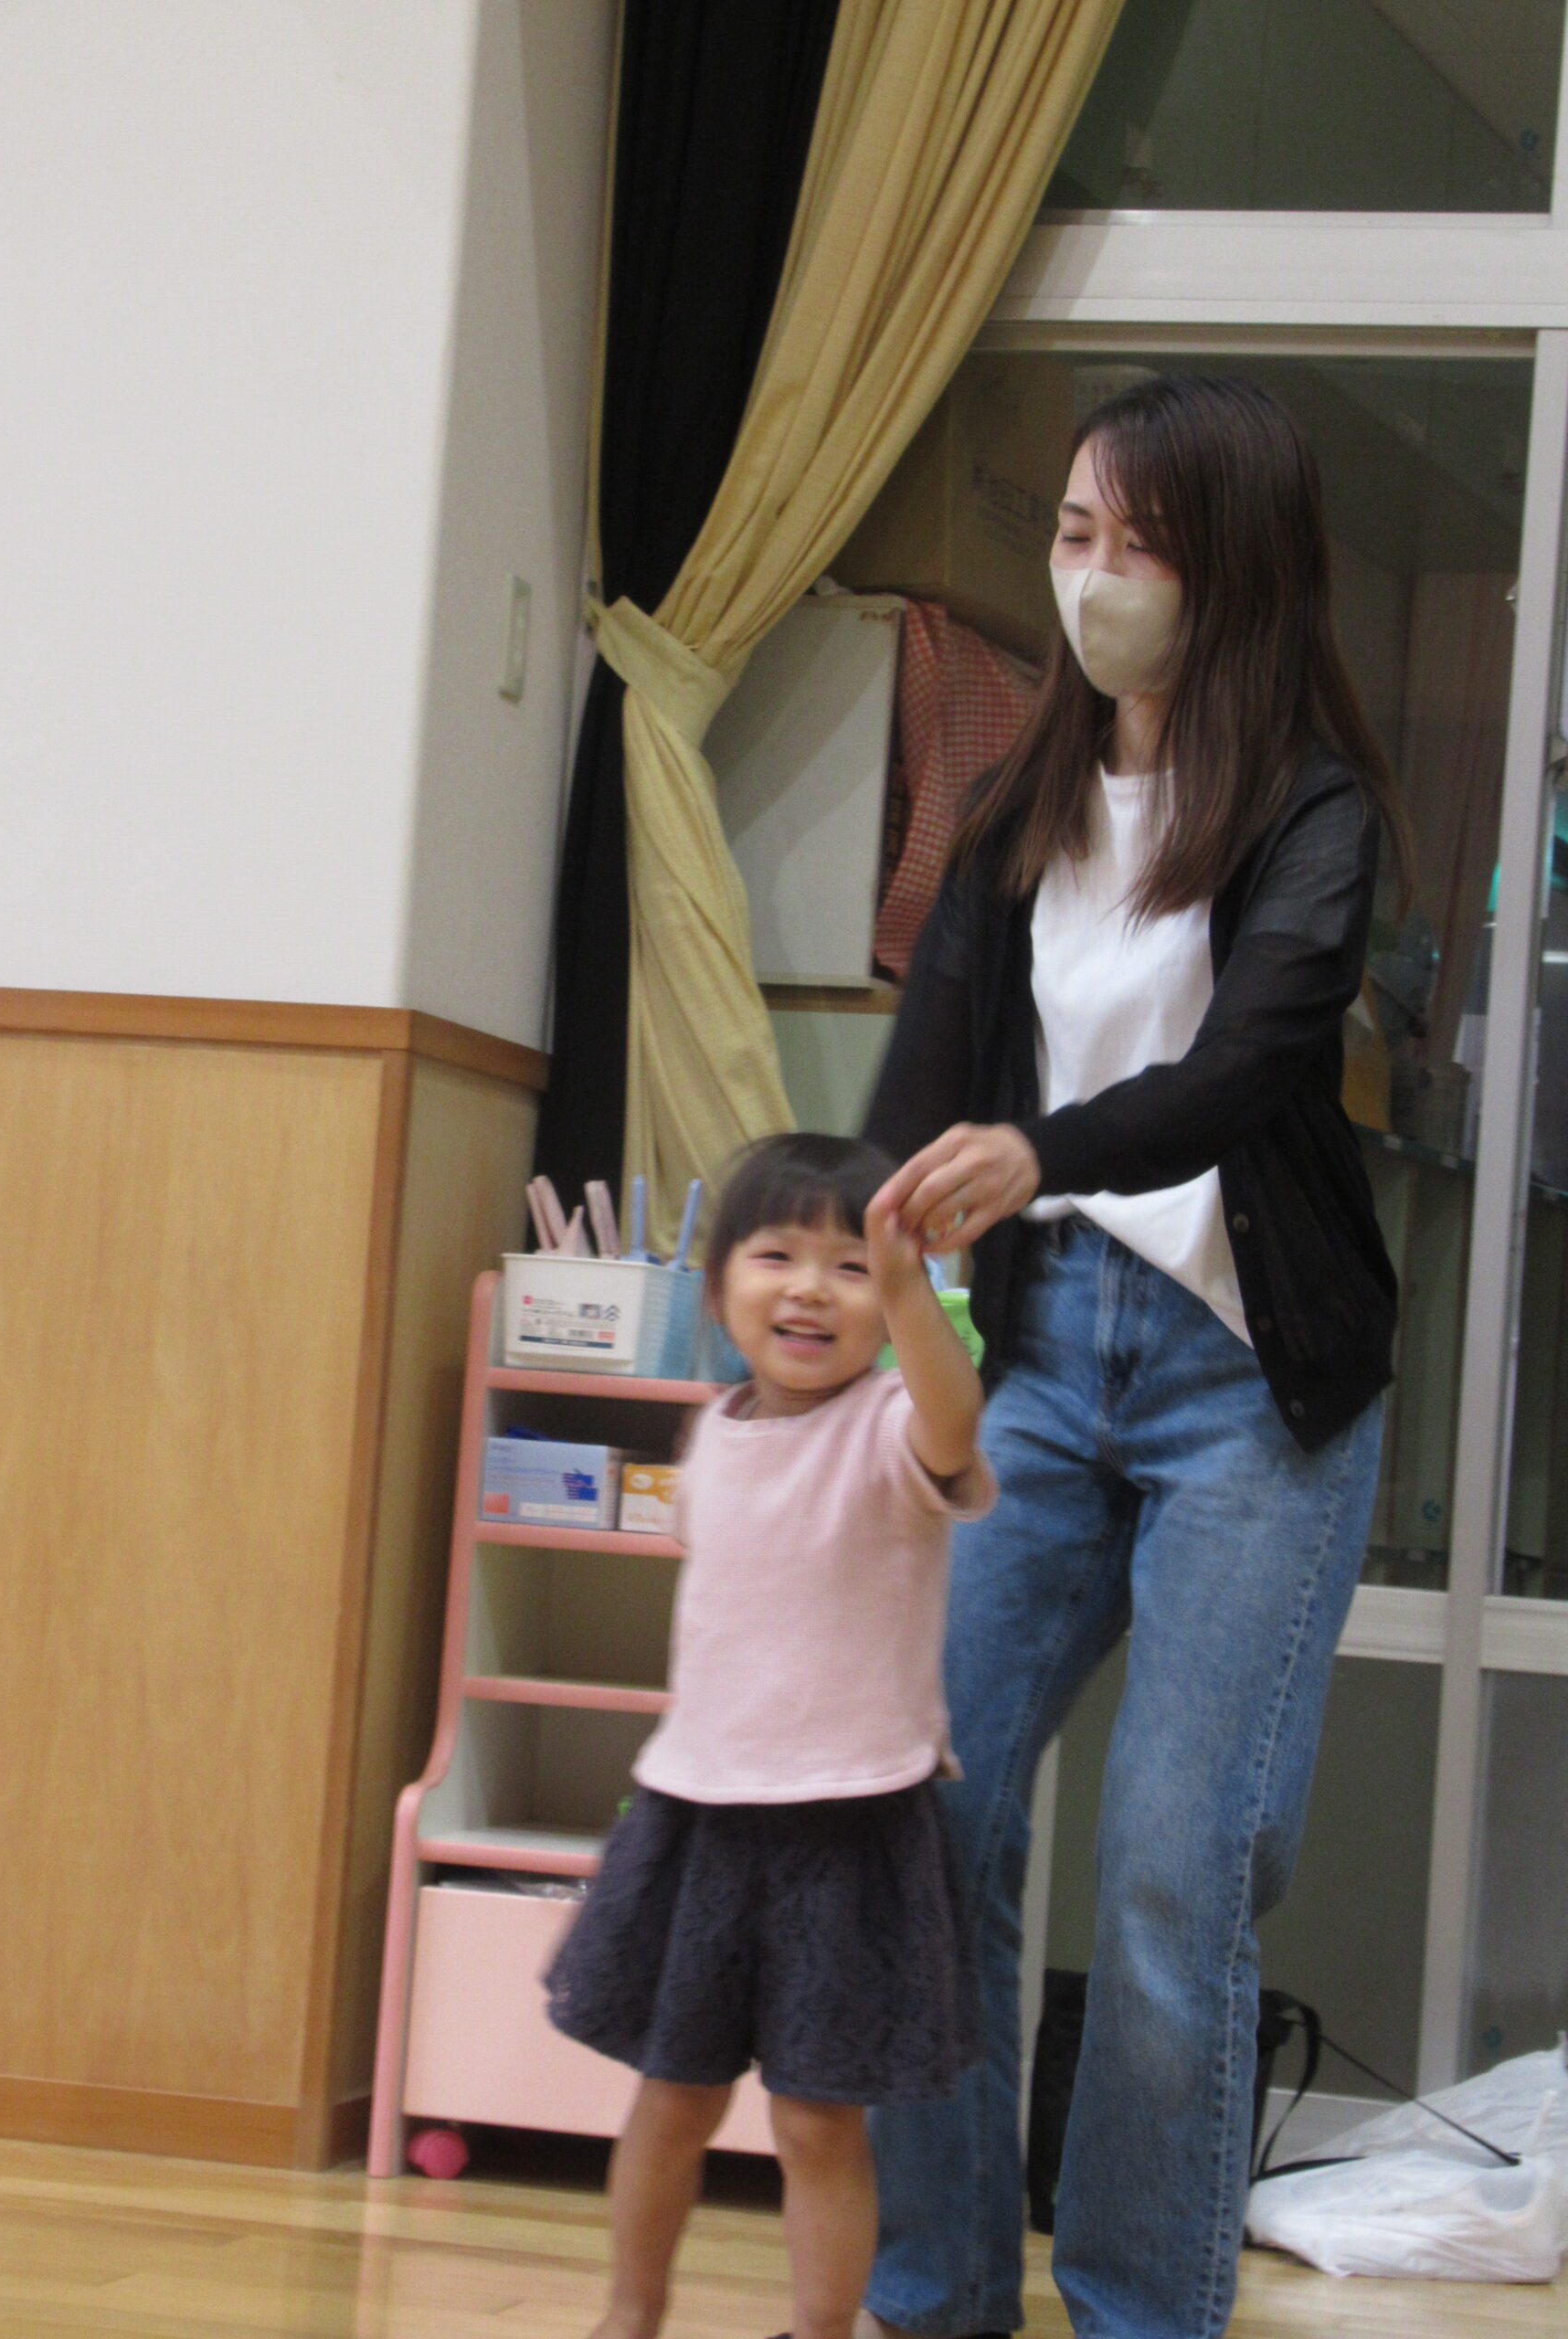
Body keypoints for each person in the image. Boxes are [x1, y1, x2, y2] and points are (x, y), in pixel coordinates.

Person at [858, 373, 1413, 2339]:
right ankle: (934, 2297)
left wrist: (1043, 1151)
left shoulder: (1314, 811)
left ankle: (1136, 2311)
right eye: (1073, 533)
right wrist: (836, 1309)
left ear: (1232, 569)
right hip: (1037, 1361)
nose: (1093, 578)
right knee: (922, 1807)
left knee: (1179, 1874)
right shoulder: (1016, 812)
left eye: (1139, 542)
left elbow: (1248, 1067)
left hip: (1247, 1383)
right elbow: (912, 1110)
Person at [546, 1132, 995, 2339]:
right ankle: (629, 2317)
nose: (811, 1289)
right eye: (777, 1256)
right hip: (700, 1818)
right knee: (672, 2096)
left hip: (851, 1824)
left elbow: (953, 1420)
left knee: (815, 2119)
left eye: (852, 1269)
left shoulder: (893, 1425)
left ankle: (820, 2329)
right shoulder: (713, 1434)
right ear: (716, 1289)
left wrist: (910, 1291)